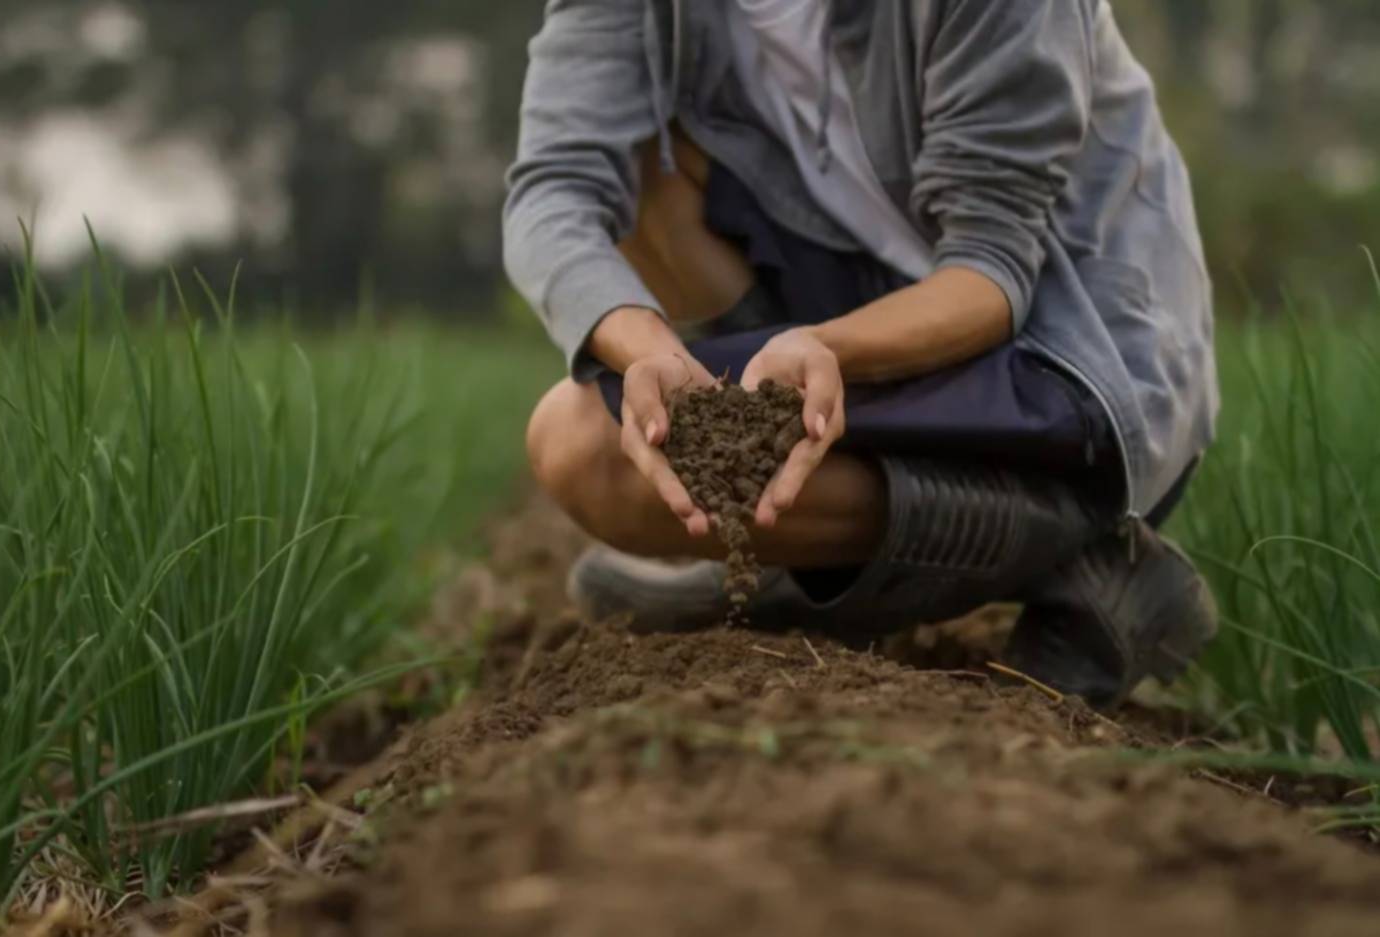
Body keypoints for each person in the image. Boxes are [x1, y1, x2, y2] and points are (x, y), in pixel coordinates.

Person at [505, 0, 1219, 709]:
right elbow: (554, 189)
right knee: (642, 176)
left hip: (1067, 347)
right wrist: (649, 349)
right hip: (856, 294)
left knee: (582, 447)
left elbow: (992, 266)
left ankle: (1077, 548)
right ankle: (803, 547)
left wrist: (827, 349)